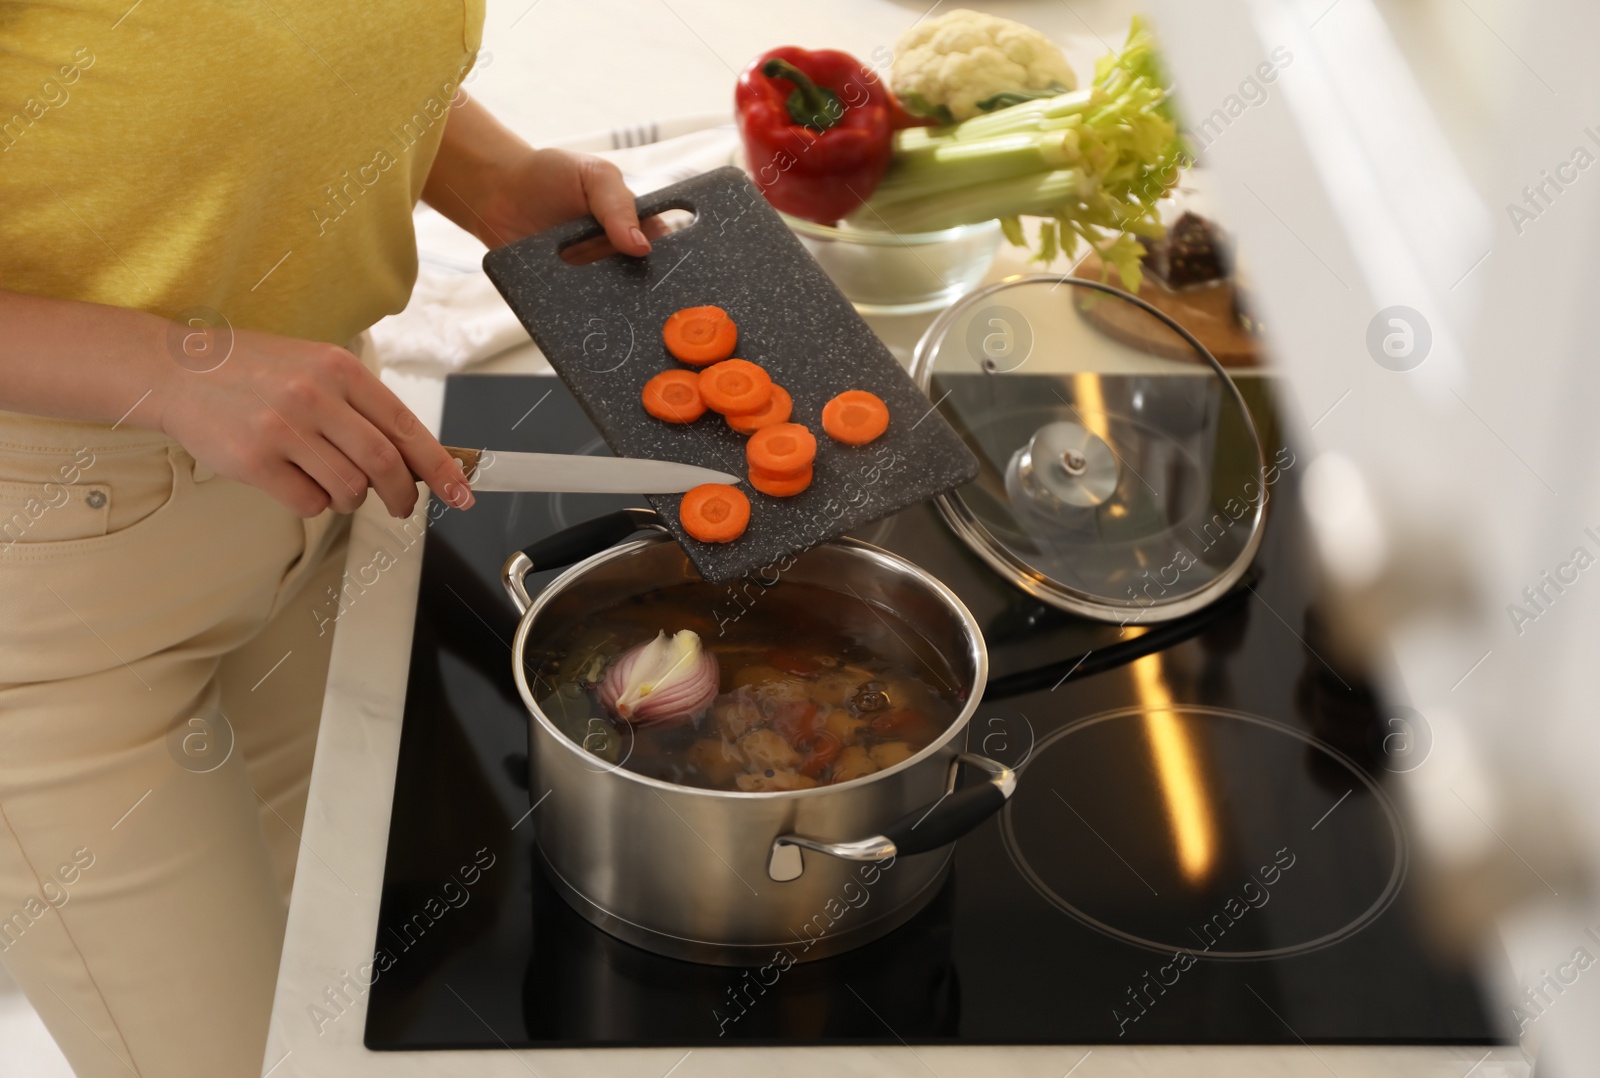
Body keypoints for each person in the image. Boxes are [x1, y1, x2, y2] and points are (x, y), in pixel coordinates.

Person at [0, 4, 650, 1074]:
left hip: (328, 466)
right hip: (66, 579)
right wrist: (172, 365)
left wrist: (491, 174)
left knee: (412, 937)